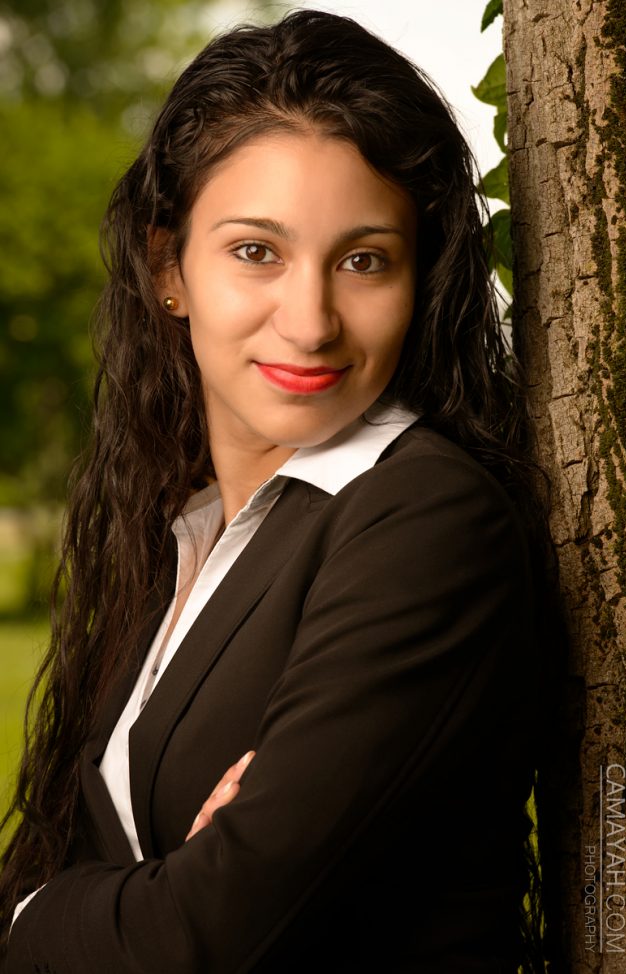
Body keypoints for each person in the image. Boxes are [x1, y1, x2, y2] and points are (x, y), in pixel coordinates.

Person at [0, 9, 551, 972]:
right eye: (257, 251)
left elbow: (205, 935)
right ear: (169, 268)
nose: (310, 321)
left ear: (421, 280)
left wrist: (27, 917)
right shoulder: (186, 524)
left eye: (364, 260)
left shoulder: (426, 517)